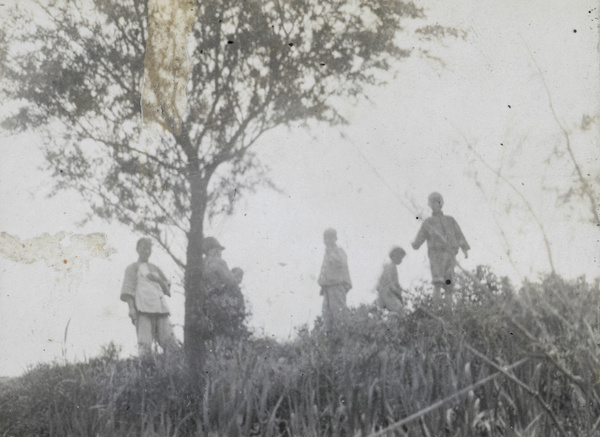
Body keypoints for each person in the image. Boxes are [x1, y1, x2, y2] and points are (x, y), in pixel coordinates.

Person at [411, 192, 470, 307]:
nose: (435, 205)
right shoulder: (428, 223)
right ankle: (436, 310)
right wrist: (415, 244)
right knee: (438, 282)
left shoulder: (450, 220)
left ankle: (448, 311)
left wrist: (464, 248)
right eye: (432, 203)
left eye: (437, 202)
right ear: (430, 205)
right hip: (436, 255)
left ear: (441, 203)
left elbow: (459, 234)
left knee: (449, 283)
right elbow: (419, 240)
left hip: (450, 255)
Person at [120, 237, 176, 356]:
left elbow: (167, 289)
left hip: (160, 309)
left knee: (169, 342)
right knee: (144, 343)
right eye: (144, 248)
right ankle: (145, 369)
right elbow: (128, 289)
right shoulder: (132, 268)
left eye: (149, 248)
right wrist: (131, 308)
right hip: (143, 309)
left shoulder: (156, 268)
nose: (146, 251)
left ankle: (172, 369)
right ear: (137, 249)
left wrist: (158, 280)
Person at [202, 237, 246, 339]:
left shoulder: (201, 265)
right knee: (228, 332)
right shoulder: (218, 262)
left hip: (207, 303)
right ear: (215, 251)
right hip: (222, 302)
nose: (220, 253)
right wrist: (238, 273)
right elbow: (231, 282)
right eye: (219, 250)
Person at [318, 228, 352, 331]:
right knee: (327, 315)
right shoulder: (327, 253)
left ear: (334, 238)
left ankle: (343, 339)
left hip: (337, 286)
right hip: (327, 288)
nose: (327, 241)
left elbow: (340, 263)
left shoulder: (339, 252)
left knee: (339, 314)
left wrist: (331, 253)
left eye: (329, 238)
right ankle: (330, 340)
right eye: (325, 238)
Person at [376, 246, 406, 314]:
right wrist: (396, 290)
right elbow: (390, 281)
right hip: (387, 293)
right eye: (400, 257)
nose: (401, 260)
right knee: (398, 309)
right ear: (394, 256)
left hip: (385, 292)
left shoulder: (389, 266)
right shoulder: (391, 266)